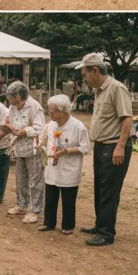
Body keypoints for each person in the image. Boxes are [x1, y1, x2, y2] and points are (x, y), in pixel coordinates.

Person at [77, 53, 132, 246]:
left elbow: (127, 118)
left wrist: (120, 146)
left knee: (109, 190)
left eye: (85, 75)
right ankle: (100, 224)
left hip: (113, 145)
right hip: (101, 145)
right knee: (100, 188)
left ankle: (106, 233)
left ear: (95, 71)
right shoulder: (99, 90)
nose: (83, 79)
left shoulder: (117, 88)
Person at [40, 94, 90, 234]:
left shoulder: (77, 126)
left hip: (69, 167)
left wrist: (67, 151)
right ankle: (49, 222)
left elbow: (85, 147)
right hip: (52, 165)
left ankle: (68, 226)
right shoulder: (51, 125)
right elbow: (47, 141)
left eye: (52, 112)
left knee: (68, 198)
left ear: (61, 112)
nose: (50, 114)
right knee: (50, 196)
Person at [4, 81, 46, 224]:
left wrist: (23, 131)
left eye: (9, 96)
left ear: (17, 96)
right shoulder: (13, 106)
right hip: (19, 147)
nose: (8, 99)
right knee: (20, 179)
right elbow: (9, 122)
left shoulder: (34, 107)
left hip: (33, 148)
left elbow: (39, 129)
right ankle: (21, 205)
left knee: (35, 180)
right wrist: (13, 133)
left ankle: (34, 210)